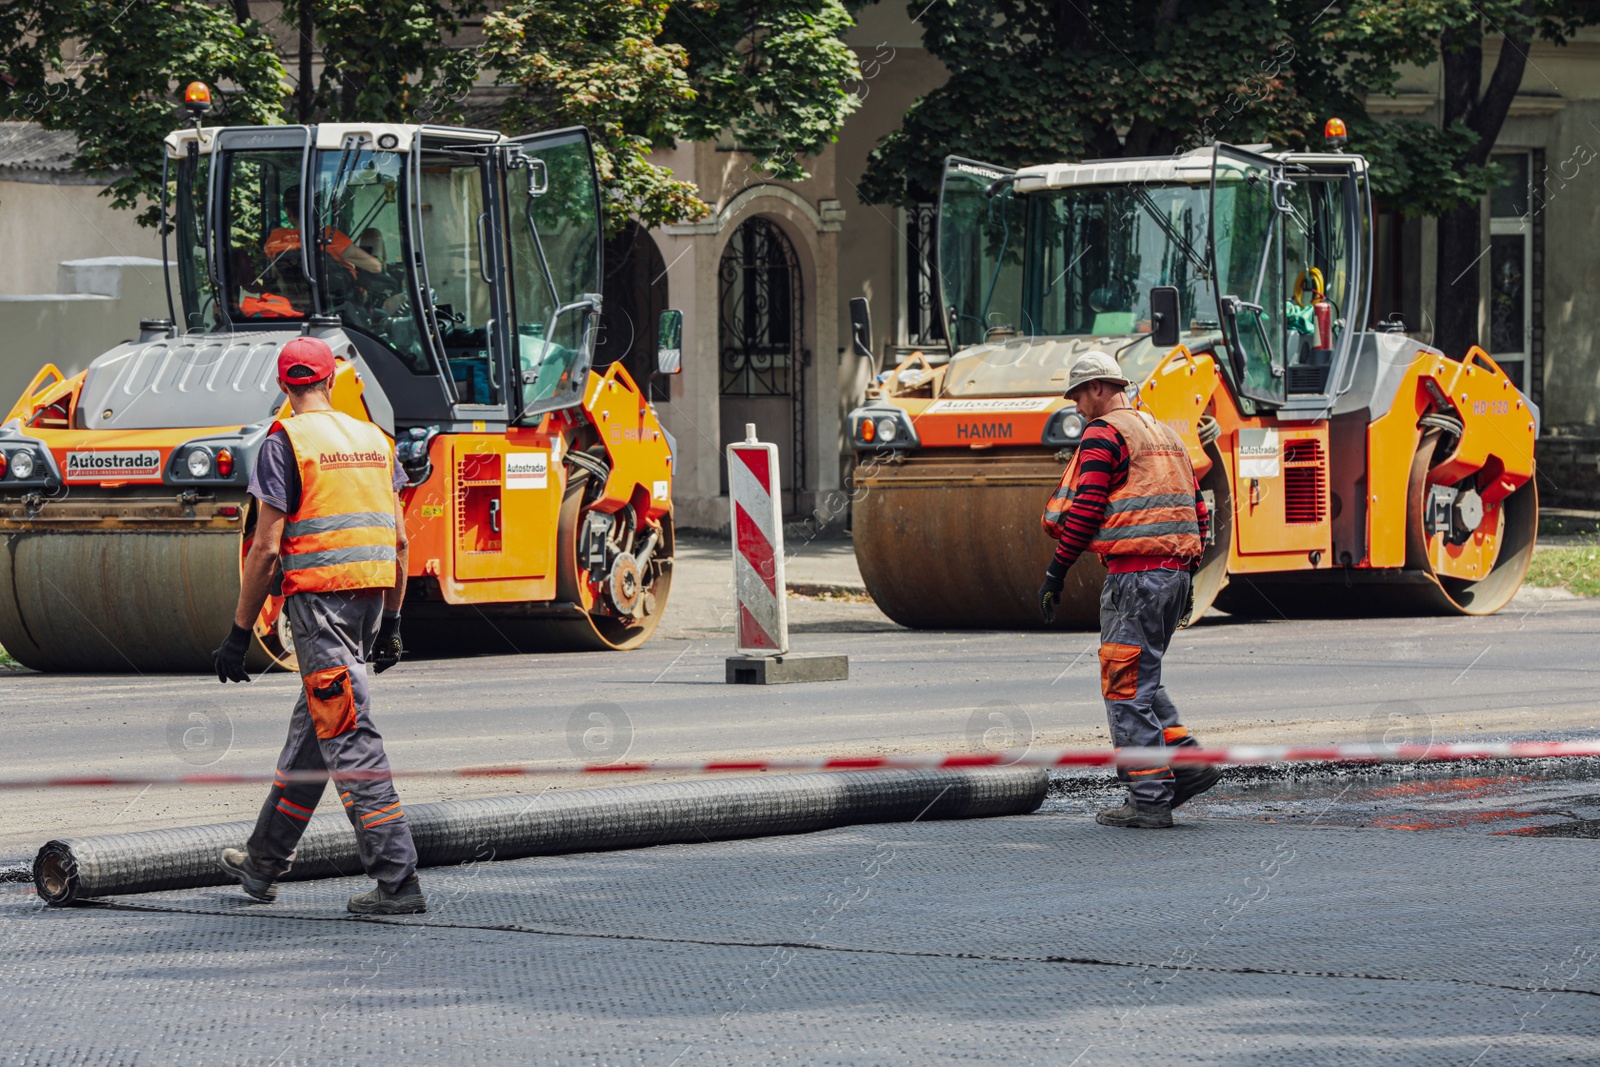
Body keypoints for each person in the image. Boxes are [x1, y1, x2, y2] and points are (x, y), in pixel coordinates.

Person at [211, 336, 423, 914]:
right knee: (314, 735)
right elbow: (401, 541)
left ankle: (398, 879)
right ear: (333, 381)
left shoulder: (286, 442)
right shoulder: (374, 439)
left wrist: (238, 631)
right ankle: (261, 867)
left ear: (285, 387)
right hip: (369, 603)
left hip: (319, 612)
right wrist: (395, 621)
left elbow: (265, 548)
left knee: (348, 736)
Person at [1038, 351, 1220, 828]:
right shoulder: (1165, 433)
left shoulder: (1105, 432)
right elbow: (1199, 512)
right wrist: (1188, 577)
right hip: (1173, 576)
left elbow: (1086, 509)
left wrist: (1056, 573)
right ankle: (1187, 762)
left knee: (1124, 690)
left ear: (1098, 388)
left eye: (1078, 396)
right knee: (1142, 679)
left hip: (1135, 578)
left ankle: (1149, 798)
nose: (1077, 407)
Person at [264, 186, 384, 277]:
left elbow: (275, 274)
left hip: (292, 299)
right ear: (317, 210)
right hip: (337, 301)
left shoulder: (276, 238)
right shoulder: (329, 236)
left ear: (288, 213)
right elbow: (376, 267)